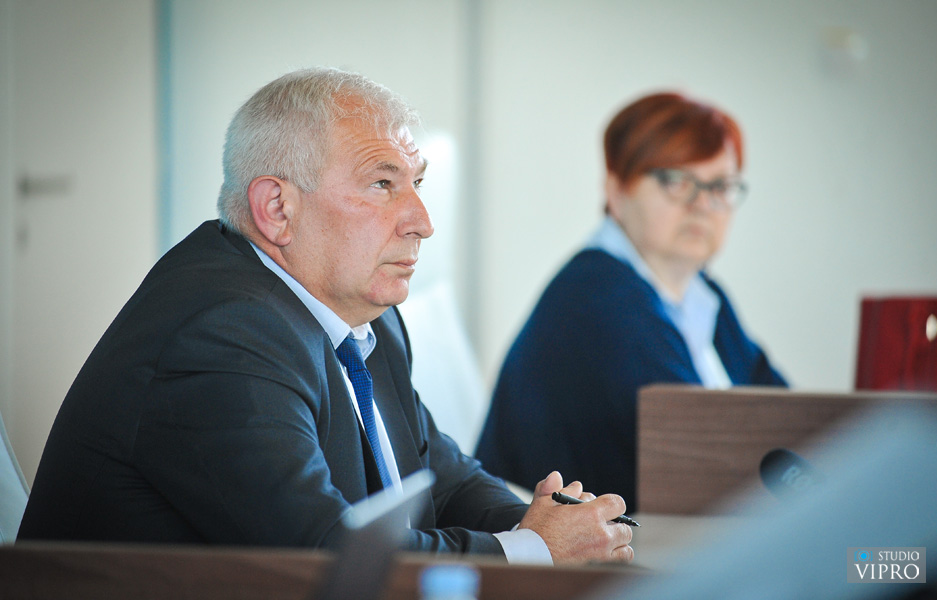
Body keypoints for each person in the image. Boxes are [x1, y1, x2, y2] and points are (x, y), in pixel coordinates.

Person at [17, 68, 634, 564]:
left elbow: (440, 476)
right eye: (382, 184)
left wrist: (550, 525)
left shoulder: (365, 314)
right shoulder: (221, 333)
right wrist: (531, 550)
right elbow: (325, 555)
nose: (422, 222)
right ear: (277, 209)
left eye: (417, 183)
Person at [476, 92, 788, 511]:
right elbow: (705, 463)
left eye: (720, 186)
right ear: (617, 190)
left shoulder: (701, 293)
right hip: (556, 548)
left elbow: (783, 419)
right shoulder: (601, 300)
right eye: (677, 181)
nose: (702, 205)